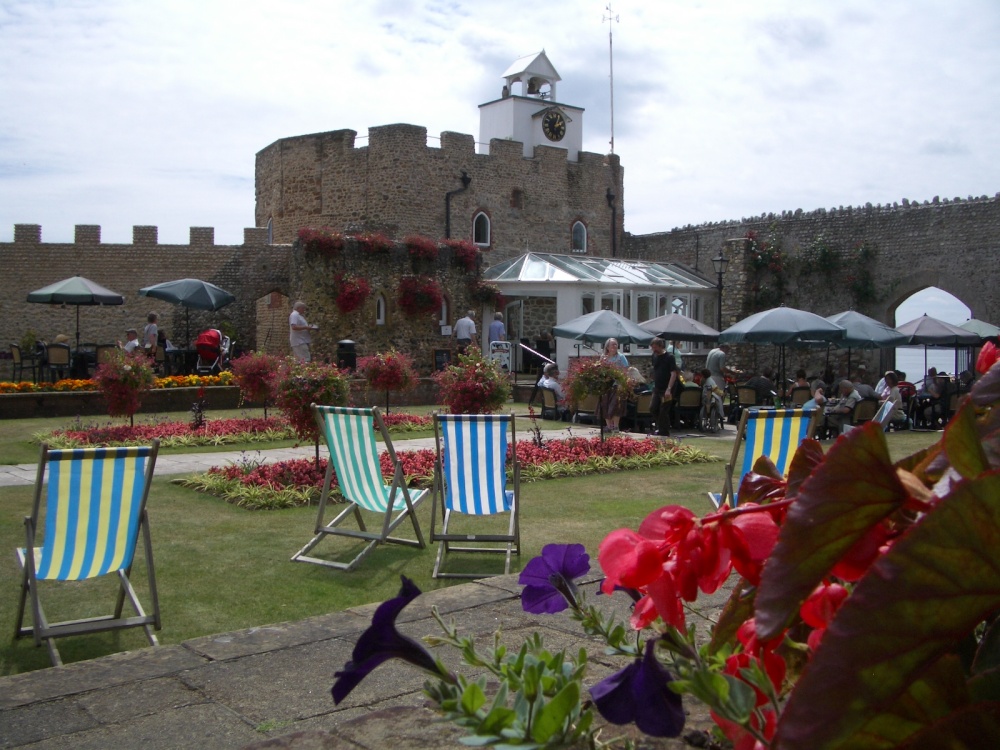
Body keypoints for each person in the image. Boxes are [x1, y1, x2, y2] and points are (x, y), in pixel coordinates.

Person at [648, 337, 678, 437]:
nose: (654, 350)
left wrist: (669, 389)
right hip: (657, 387)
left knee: (663, 410)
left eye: (655, 347)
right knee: (653, 408)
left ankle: (664, 431)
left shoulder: (669, 357)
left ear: (661, 346)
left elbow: (673, 374)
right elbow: (655, 369)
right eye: (652, 347)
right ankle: (662, 427)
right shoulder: (654, 356)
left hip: (667, 388)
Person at [599, 337, 629, 432]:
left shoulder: (621, 357)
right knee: (605, 405)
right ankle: (609, 426)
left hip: (618, 385)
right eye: (613, 344)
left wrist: (622, 382)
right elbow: (600, 371)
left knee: (616, 406)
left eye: (616, 344)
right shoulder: (603, 357)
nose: (615, 346)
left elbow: (626, 371)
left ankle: (616, 426)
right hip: (606, 385)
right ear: (607, 347)